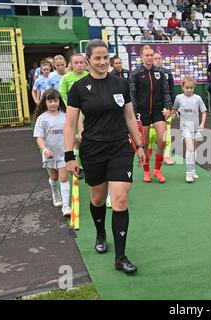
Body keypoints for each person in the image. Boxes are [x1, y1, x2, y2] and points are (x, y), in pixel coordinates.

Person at [64, 39, 146, 275]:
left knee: (120, 200)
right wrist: (69, 155)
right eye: (97, 58)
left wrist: (139, 145)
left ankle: (120, 257)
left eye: (105, 57)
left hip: (120, 148)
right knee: (98, 199)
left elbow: (130, 117)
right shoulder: (78, 88)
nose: (102, 62)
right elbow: (70, 125)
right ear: (88, 60)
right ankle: (101, 232)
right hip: (93, 150)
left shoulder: (121, 83)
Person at [130, 45, 173, 183]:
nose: (149, 58)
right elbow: (132, 94)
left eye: (151, 55)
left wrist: (168, 107)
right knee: (145, 143)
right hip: (141, 112)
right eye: (147, 55)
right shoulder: (135, 73)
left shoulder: (160, 73)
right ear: (141, 56)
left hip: (157, 111)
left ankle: (157, 170)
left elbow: (166, 91)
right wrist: (134, 113)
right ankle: (146, 171)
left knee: (163, 140)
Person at [33, 89, 70, 217]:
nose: (53, 103)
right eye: (50, 101)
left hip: (64, 153)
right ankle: (55, 192)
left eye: (56, 100)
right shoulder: (42, 119)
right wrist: (44, 150)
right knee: (54, 177)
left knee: (64, 178)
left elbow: (70, 133)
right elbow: (39, 137)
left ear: (59, 101)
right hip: (50, 154)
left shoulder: (65, 116)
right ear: (45, 102)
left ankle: (66, 206)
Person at [172, 77, 207, 182]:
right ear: (182, 87)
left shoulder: (198, 98)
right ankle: (188, 173)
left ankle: (193, 169)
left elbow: (204, 112)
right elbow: (173, 110)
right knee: (190, 149)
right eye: (187, 87)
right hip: (185, 127)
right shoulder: (178, 98)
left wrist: (202, 124)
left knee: (194, 149)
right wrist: (166, 116)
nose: (189, 90)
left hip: (196, 127)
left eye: (191, 88)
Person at [152, 52, 176, 166]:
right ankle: (149, 150)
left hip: (166, 107)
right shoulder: (146, 73)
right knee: (151, 136)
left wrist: (172, 107)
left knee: (167, 133)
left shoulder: (167, 73)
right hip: (152, 108)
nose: (158, 60)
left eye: (159, 58)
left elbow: (171, 90)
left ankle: (167, 156)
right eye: (155, 59)